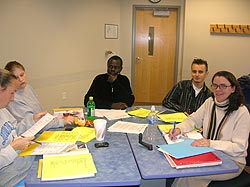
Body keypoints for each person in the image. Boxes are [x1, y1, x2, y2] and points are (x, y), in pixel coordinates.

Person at [169, 71, 250, 187]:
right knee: (182, 169)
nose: (218, 89)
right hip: (209, 153)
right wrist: (179, 129)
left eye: (223, 86)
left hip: (232, 161)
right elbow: (193, 120)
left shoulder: (241, 112)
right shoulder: (210, 102)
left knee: (192, 175)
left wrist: (210, 143)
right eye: (215, 85)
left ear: (233, 88)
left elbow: (239, 147)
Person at [0, 69, 46, 186]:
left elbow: (14, 131)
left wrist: (32, 120)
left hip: (25, 164)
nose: (13, 98)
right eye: (11, 93)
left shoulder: (3, 110)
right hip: (13, 179)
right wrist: (13, 147)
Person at [4, 61, 74, 126]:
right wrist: (60, 122)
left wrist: (53, 119)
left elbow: (40, 111)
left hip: (43, 124)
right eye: (16, 77)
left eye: (22, 75)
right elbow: (32, 123)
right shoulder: (12, 98)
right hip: (32, 131)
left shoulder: (28, 87)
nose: (21, 79)